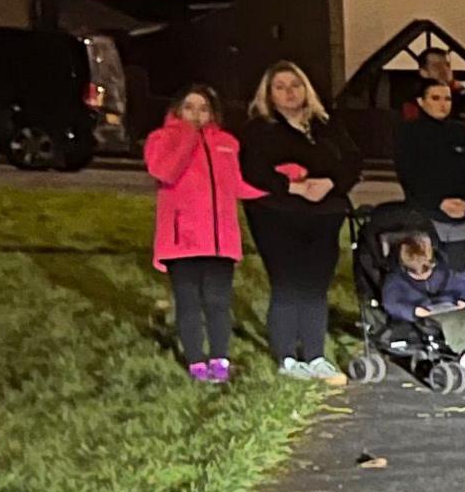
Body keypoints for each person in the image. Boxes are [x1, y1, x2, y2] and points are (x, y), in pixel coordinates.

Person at [239, 60, 357, 379]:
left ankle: (315, 353)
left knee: (315, 286)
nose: (290, 92)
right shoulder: (259, 129)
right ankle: (288, 356)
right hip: (277, 216)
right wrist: (292, 186)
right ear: (269, 94)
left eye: (295, 85)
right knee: (288, 284)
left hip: (324, 216)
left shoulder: (326, 125)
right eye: (280, 87)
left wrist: (330, 183)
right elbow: (253, 171)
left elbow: (351, 163)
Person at [144, 85, 260, 384]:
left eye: (203, 108)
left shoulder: (226, 143)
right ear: (177, 109)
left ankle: (220, 360)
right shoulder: (161, 139)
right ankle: (196, 361)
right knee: (189, 302)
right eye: (189, 107)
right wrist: (187, 137)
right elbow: (165, 172)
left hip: (220, 241)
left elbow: (236, 186)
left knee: (218, 302)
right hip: (182, 241)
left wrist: (282, 182)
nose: (196, 114)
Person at [389, 75, 465, 306]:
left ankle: (464, 329)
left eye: (447, 98)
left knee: (457, 277)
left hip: (460, 217)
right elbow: (410, 175)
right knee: (427, 277)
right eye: (435, 98)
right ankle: (431, 330)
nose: (443, 104)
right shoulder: (408, 133)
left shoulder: (460, 132)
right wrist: (437, 203)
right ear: (421, 102)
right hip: (425, 217)